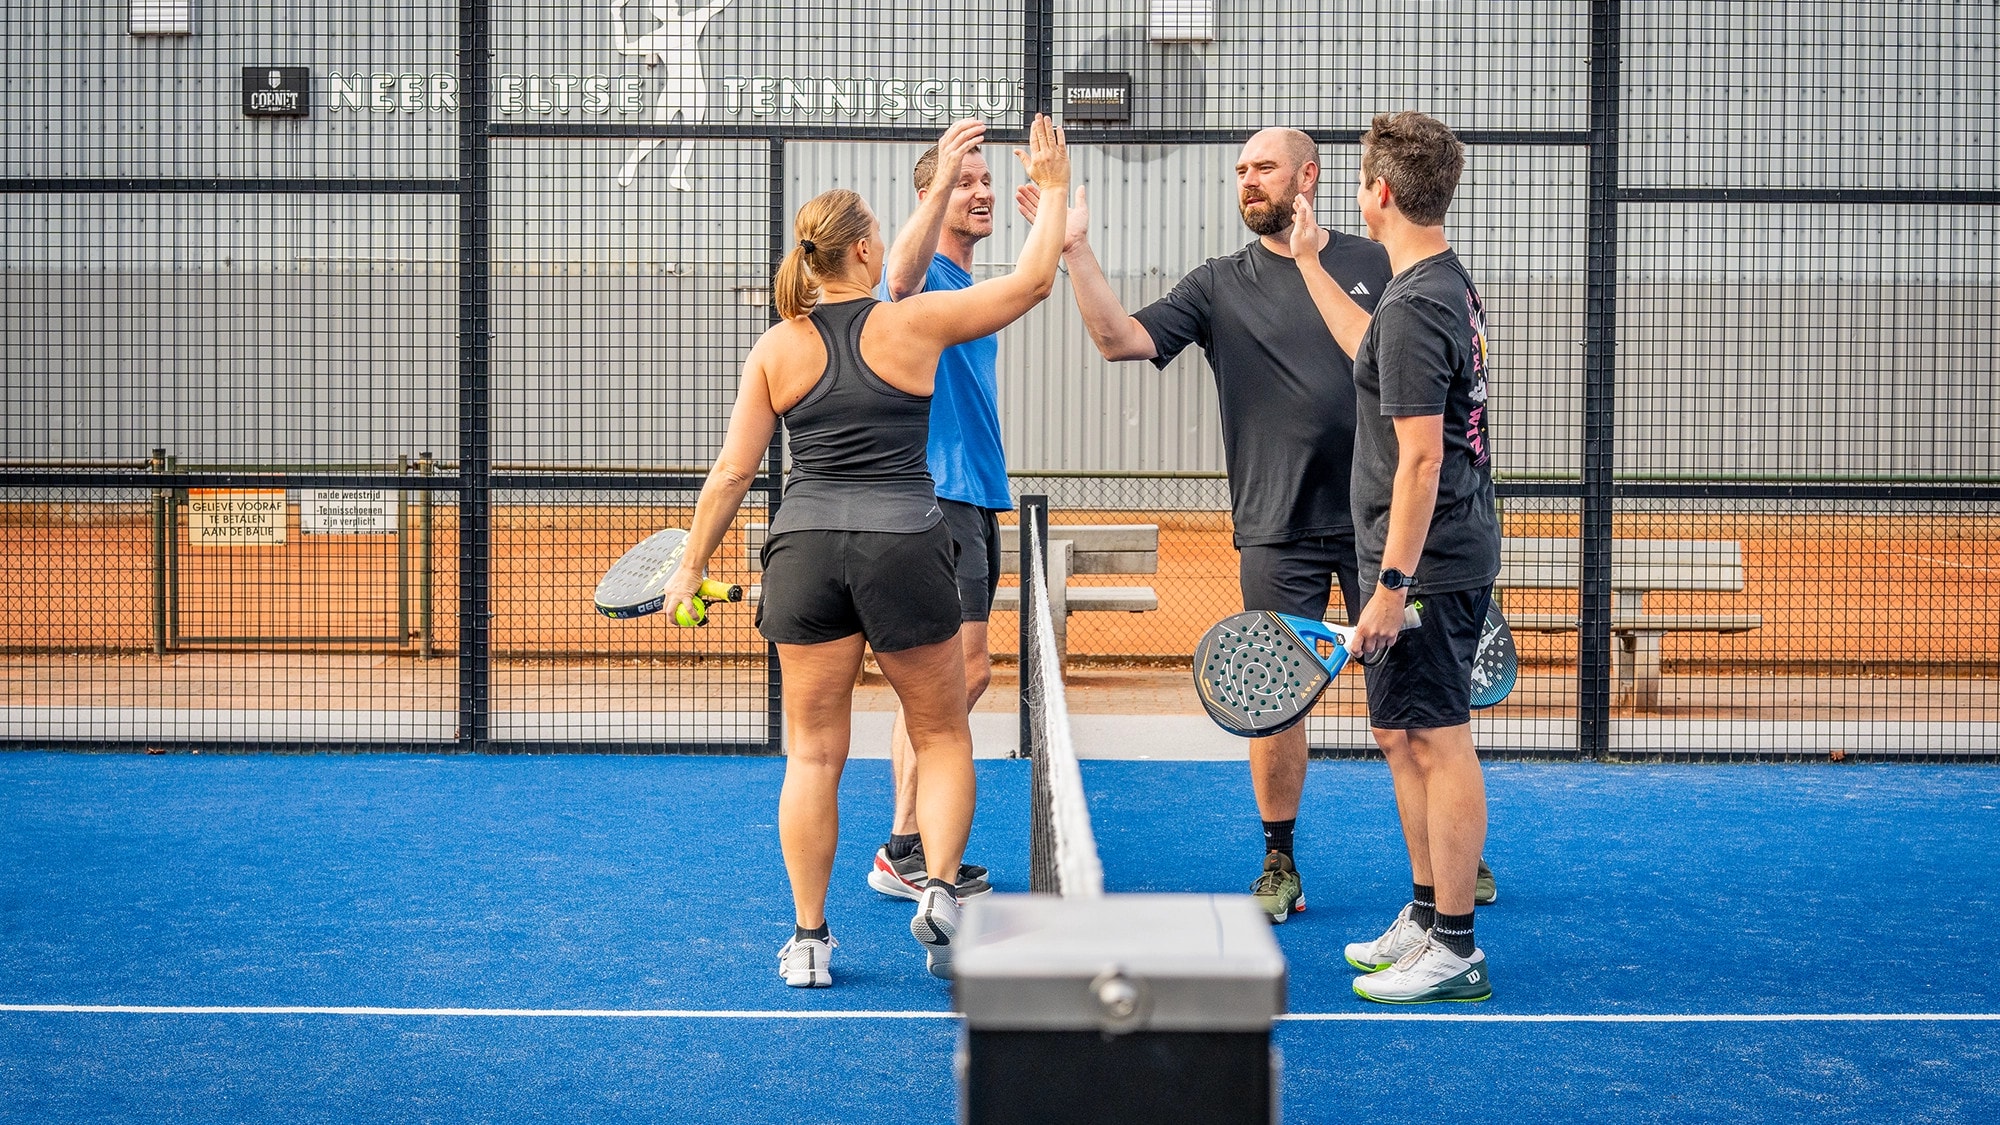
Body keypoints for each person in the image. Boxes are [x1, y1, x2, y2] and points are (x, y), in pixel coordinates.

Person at [656, 116, 1069, 988]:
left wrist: (691, 564)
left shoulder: (777, 345)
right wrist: (1057, 185)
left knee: (812, 752)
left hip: (803, 551)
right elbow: (1035, 280)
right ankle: (940, 891)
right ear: (863, 252)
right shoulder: (912, 323)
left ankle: (809, 937)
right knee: (942, 730)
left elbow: (733, 472)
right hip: (904, 545)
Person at [1018, 127, 1393, 923]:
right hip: (1276, 527)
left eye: (1264, 167)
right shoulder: (1219, 283)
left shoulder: (1377, 262)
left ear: (1308, 176)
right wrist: (1075, 251)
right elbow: (1118, 338)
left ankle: (1447, 850)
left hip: (1381, 523)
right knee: (1277, 702)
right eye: (1241, 170)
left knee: (1408, 707)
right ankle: (1279, 860)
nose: (1248, 180)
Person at [1289, 110, 1499, 1003]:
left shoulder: (1416, 306)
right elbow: (1368, 353)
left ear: (1378, 193)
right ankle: (1425, 913)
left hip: (1428, 563)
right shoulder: (1433, 286)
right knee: (1406, 734)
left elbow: (1420, 460)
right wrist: (1309, 261)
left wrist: (1390, 587)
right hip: (1433, 551)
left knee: (1439, 738)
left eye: (1358, 181)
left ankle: (1455, 944)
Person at [860, 119, 1016, 903]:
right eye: (964, 182)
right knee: (961, 674)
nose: (981, 191)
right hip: (943, 493)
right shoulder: (923, 278)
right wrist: (940, 179)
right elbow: (896, 277)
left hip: (979, 494)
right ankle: (905, 844)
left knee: (946, 680)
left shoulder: (967, 281)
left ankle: (905, 845)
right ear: (930, 196)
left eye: (985, 181)